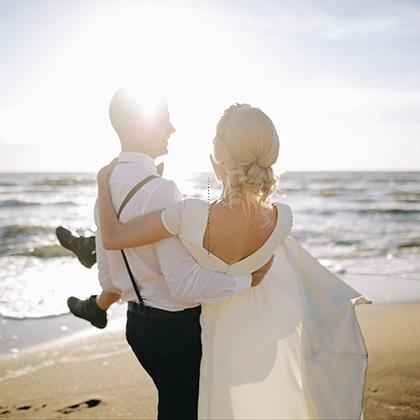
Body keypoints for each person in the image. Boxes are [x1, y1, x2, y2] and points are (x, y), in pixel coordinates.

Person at [95, 103, 372, 420]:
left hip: (212, 345)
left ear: (217, 157)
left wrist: (104, 184)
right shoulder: (282, 219)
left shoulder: (189, 216)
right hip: (258, 345)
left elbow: (114, 237)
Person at [67, 87, 273, 420]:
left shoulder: (106, 186)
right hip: (176, 332)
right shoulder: (163, 190)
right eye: (164, 120)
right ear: (138, 126)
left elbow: (109, 276)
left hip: (137, 327)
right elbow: (184, 285)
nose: (173, 129)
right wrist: (247, 280)